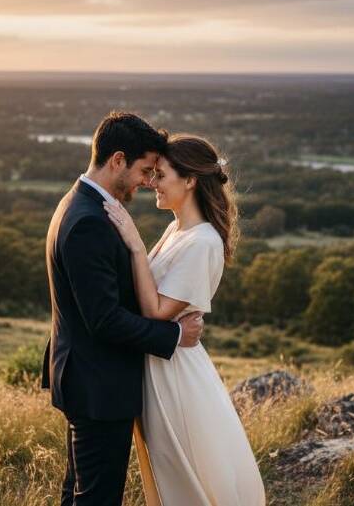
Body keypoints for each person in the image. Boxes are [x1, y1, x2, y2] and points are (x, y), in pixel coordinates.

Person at [41, 112, 205, 506]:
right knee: (97, 498)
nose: (147, 182)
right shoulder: (88, 222)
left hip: (88, 377)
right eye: (144, 170)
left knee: (79, 493)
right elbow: (104, 320)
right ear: (117, 160)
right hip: (98, 383)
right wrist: (175, 335)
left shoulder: (82, 204)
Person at [104, 133, 266, 506]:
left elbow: (157, 311)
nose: (151, 183)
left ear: (190, 180)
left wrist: (134, 243)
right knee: (167, 471)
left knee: (183, 469)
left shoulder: (203, 241)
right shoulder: (177, 229)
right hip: (160, 361)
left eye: (160, 175)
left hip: (174, 374)